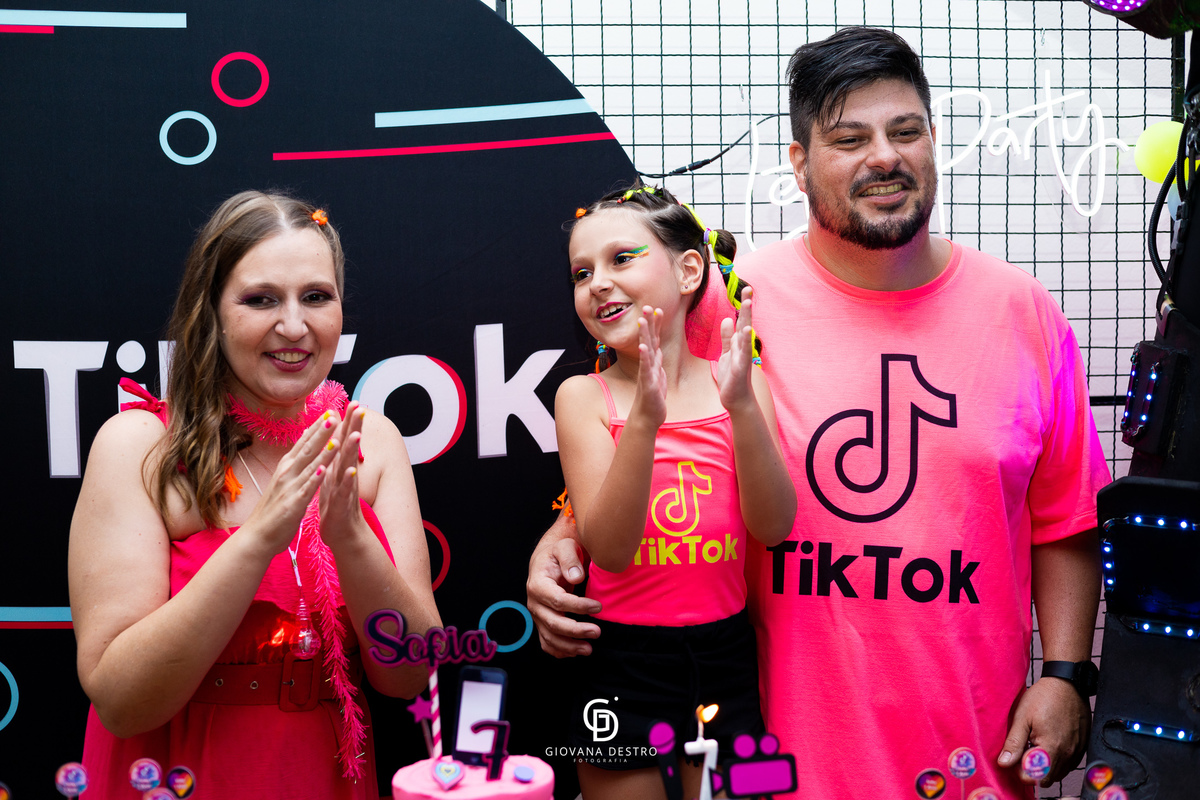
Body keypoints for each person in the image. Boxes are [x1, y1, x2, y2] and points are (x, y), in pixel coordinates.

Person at [528, 27, 1110, 799]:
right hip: (779, 756)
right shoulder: (727, 305)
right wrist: (562, 538)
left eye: (906, 131)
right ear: (799, 163)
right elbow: (644, 430)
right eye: (849, 139)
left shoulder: (1024, 311)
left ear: (934, 139)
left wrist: (1067, 673)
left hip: (968, 755)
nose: (885, 157)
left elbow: (1065, 517)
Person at [69, 191, 441, 798]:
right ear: (211, 311)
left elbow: (411, 675)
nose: (293, 326)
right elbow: (121, 700)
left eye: (316, 297)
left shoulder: (370, 441)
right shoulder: (139, 445)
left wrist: (350, 539)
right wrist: (261, 537)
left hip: (321, 772)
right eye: (261, 299)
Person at [558, 184, 796, 799]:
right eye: (582, 273)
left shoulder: (743, 384)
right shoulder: (583, 397)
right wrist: (644, 422)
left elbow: (774, 527)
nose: (598, 283)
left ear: (689, 271)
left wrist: (742, 407)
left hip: (725, 654)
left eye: (621, 258)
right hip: (621, 662)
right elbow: (610, 549)